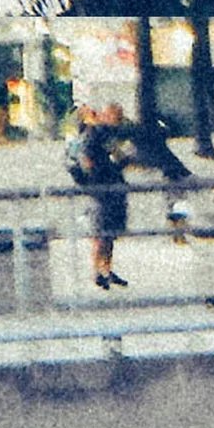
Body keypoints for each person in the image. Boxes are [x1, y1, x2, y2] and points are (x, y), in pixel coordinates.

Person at [70, 104, 134, 289]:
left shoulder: (108, 135)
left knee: (110, 234)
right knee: (100, 233)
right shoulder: (94, 133)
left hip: (114, 187)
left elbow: (118, 156)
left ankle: (106, 269)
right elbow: (87, 157)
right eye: (116, 117)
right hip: (101, 190)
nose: (118, 121)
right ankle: (97, 271)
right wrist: (95, 175)